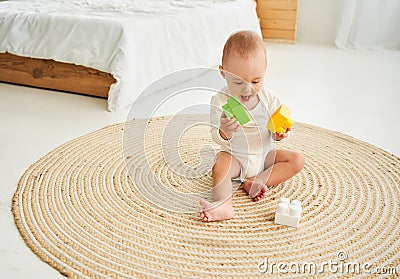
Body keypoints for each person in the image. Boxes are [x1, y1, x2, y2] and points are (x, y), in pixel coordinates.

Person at [199, 31, 305, 222]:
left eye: (256, 81)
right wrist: (225, 130)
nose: (247, 89)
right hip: (236, 159)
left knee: (297, 160)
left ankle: (258, 181)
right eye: (238, 82)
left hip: (265, 156)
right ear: (223, 72)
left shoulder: (270, 99)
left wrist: (279, 135)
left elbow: (277, 130)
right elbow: (216, 135)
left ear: (265, 70)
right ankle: (224, 205)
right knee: (219, 164)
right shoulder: (220, 100)